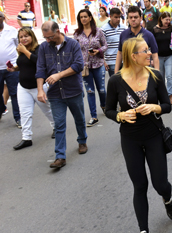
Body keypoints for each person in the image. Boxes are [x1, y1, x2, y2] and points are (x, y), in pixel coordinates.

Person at [105, 37, 172, 233]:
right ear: (132, 56)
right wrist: (119, 115)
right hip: (130, 139)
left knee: (160, 183)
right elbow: (108, 109)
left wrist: (155, 106)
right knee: (140, 185)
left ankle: (168, 198)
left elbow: (167, 106)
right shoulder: (116, 81)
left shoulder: (155, 76)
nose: (150, 53)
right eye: (145, 51)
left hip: (154, 136)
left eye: (149, 49)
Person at [36, 21, 88, 169]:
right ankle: (60, 156)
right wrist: (40, 90)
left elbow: (78, 65)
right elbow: (40, 69)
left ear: (58, 32)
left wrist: (59, 75)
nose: (47, 40)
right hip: (54, 93)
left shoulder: (73, 44)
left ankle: (82, 140)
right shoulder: (44, 47)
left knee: (79, 118)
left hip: (73, 90)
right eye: (45, 37)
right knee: (59, 125)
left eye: (50, 37)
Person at [8, 28, 54, 149]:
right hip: (23, 87)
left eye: (26, 36)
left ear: (32, 37)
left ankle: (56, 127)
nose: (23, 39)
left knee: (47, 110)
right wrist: (14, 68)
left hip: (38, 87)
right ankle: (26, 137)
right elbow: (24, 65)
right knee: (25, 113)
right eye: (21, 37)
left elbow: (38, 62)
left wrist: (24, 51)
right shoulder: (22, 50)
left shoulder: (39, 49)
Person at [73, 9, 108, 126]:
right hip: (85, 67)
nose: (83, 19)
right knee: (90, 91)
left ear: (90, 18)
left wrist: (98, 51)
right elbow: (74, 50)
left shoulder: (98, 31)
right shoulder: (77, 34)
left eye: (85, 16)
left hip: (98, 64)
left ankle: (104, 105)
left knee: (102, 89)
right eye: (81, 17)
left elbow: (105, 45)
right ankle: (94, 116)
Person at [115, 6, 159, 73]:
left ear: (141, 18)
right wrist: (116, 72)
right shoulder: (123, 34)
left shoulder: (149, 35)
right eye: (130, 17)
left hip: (145, 73)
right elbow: (120, 53)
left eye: (135, 17)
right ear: (128, 19)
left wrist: (157, 74)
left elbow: (155, 55)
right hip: (128, 72)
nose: (133, 19)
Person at [0, 12, 21, 127]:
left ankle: (18, 118)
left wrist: (18, 63)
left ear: (2, 19)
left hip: (11, 68)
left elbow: (18, 46)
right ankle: (2, 109)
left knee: (14, 93)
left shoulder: (12, 30)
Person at [153, 12, 172, 105]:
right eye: (166, 19)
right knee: (160, 77)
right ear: (161, 19)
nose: (168, 21)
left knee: (169, 75)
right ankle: (162, 95)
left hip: (169, 55)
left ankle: (170, 95)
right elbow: (152, 44)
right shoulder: (155, 29)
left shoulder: (171, 28)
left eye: (169, 19)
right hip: (158, 57)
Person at [102, 8, 125, 77]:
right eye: (115, 17)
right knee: (116, 84)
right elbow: (101, 46)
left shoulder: (123, 28)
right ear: (110, 17)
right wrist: (104, 62)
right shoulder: (104, 29)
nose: (118, 19)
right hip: (111, 62)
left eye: (119, 17)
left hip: (124, 61)